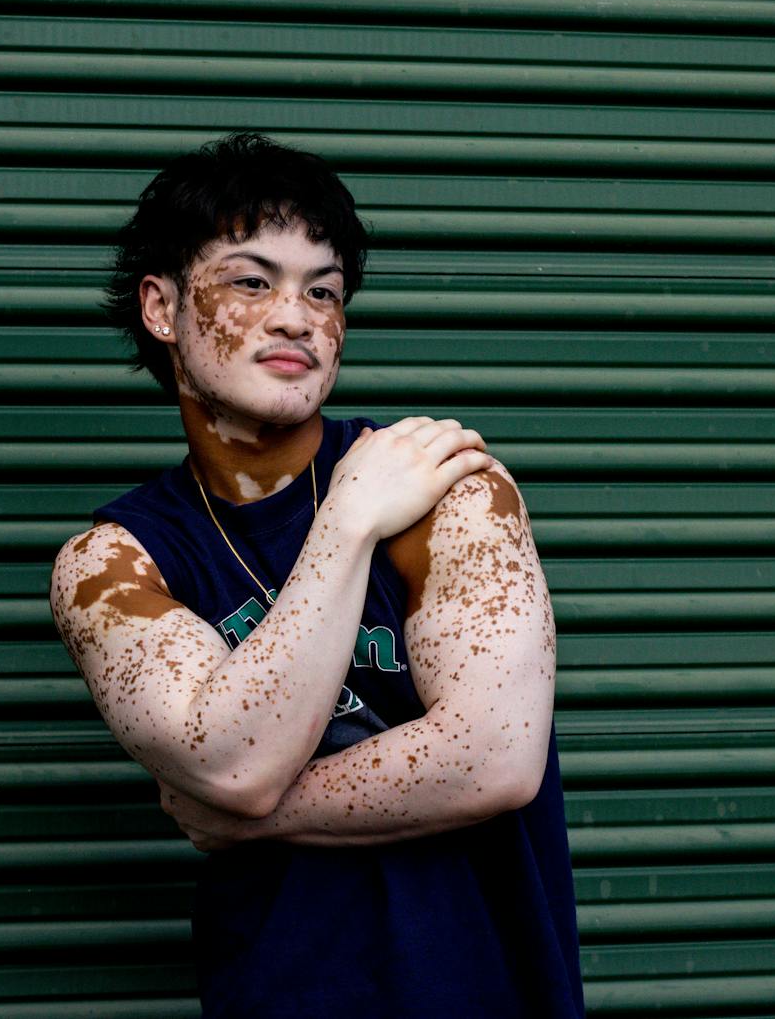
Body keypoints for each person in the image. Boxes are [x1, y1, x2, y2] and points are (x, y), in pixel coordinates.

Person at [49, 132, 583, 1018]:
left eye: (323, 290)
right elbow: (235, 762)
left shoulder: (445, 485)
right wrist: (343, 523)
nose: (297, 316)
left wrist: (245, 816)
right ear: (160, 306)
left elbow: (496, 757)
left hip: (488, 988)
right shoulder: (111, 562)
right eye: (253, 281)